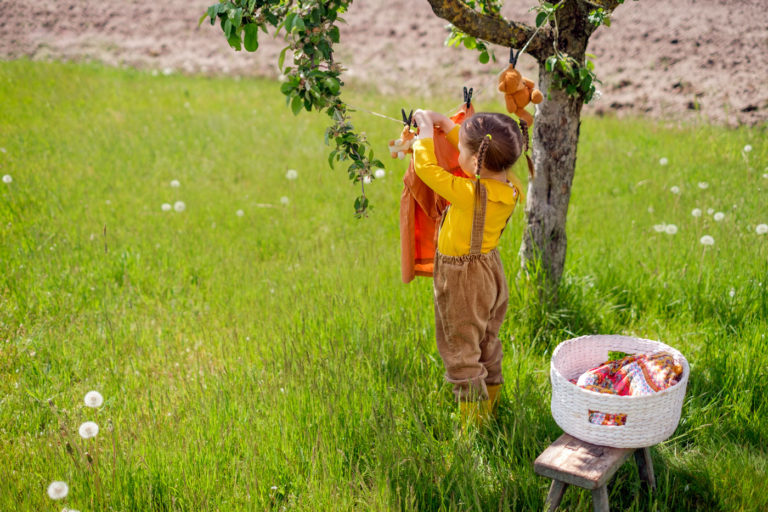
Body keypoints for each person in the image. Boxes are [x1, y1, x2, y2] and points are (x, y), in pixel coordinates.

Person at [411, 109, 532, 426]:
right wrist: (450, 126)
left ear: (475, 160)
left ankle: (471, 429)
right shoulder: (511, 186)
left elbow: (427, 170)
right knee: (486, 342)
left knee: (461, 350)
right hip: (490, 272)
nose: (457, 153)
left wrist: (425, 134)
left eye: (461, 149)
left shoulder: (470, 194)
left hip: (462, 279)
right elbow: (479, 151)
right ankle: (489, 410)